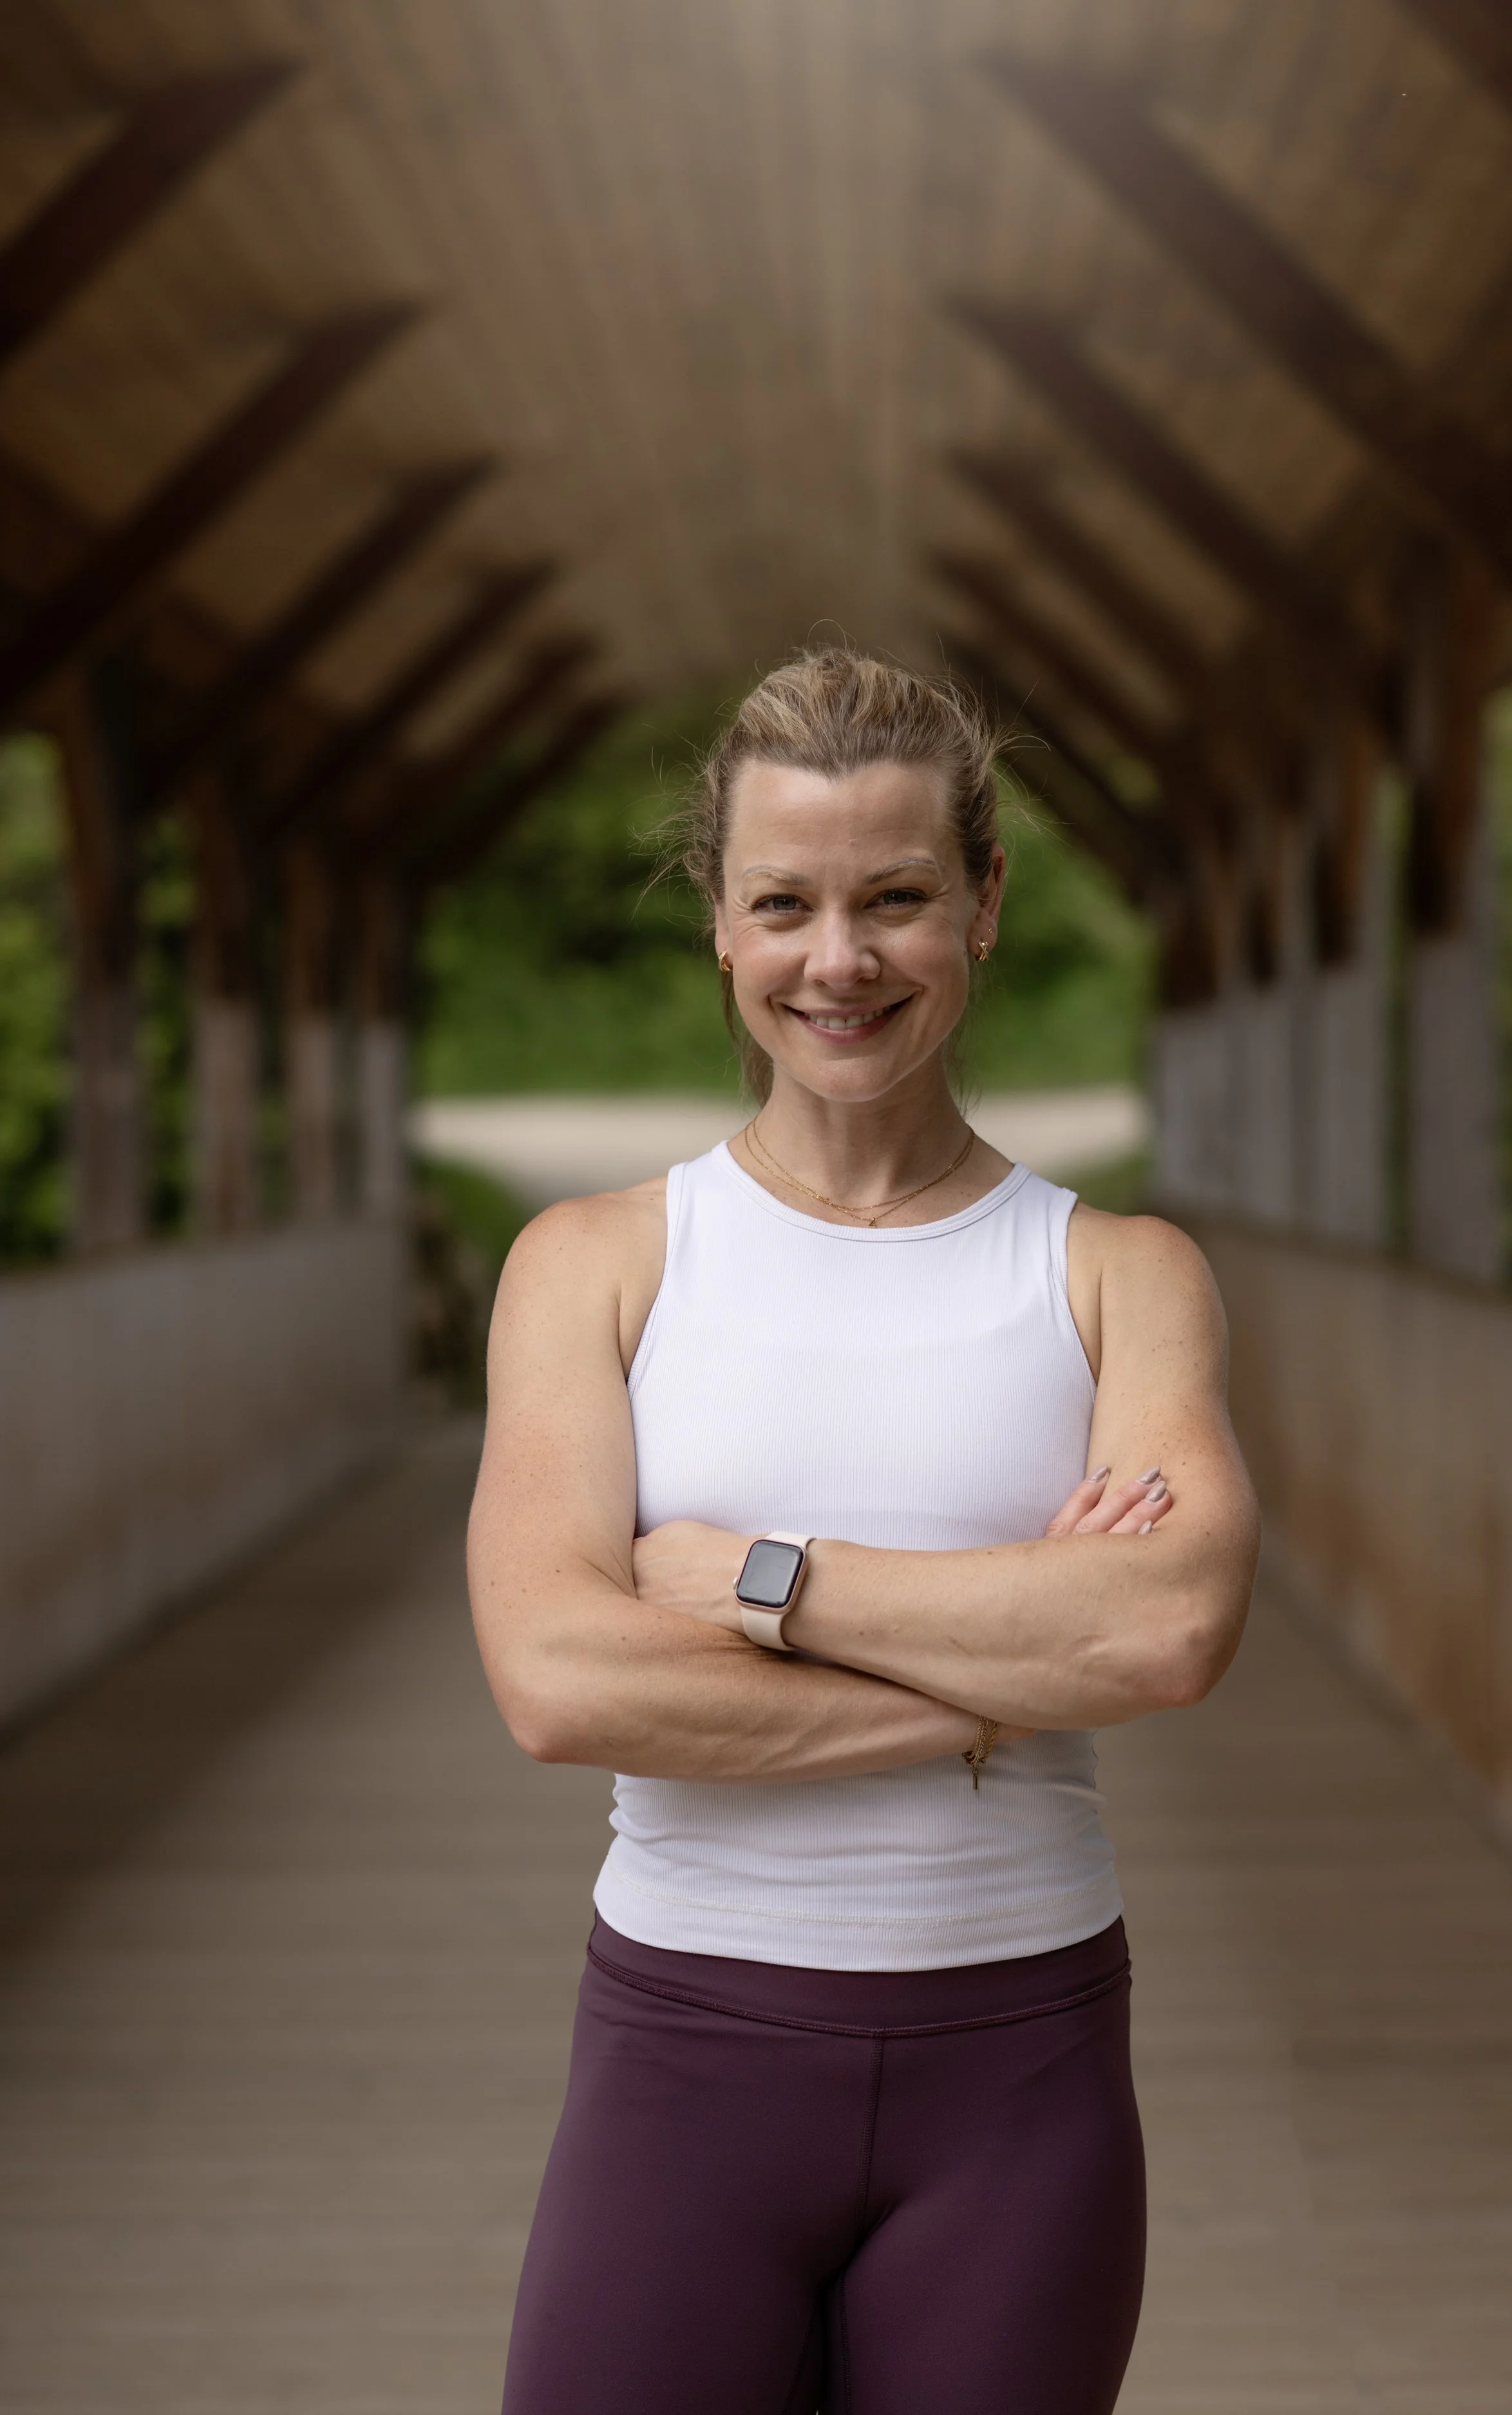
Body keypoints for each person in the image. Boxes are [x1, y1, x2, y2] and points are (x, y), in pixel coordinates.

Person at [469, 648, 1260, 2415]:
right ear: (720, 923)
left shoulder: (1119, 1276)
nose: (839, 959)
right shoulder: (597, 1266)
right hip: (684, 2059)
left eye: (894, 897)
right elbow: (558, 1678)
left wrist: (764, 1583)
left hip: (1021, 2073)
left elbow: (1163, 1631)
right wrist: (1009, 1674)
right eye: (786, 904)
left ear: (983, 904)